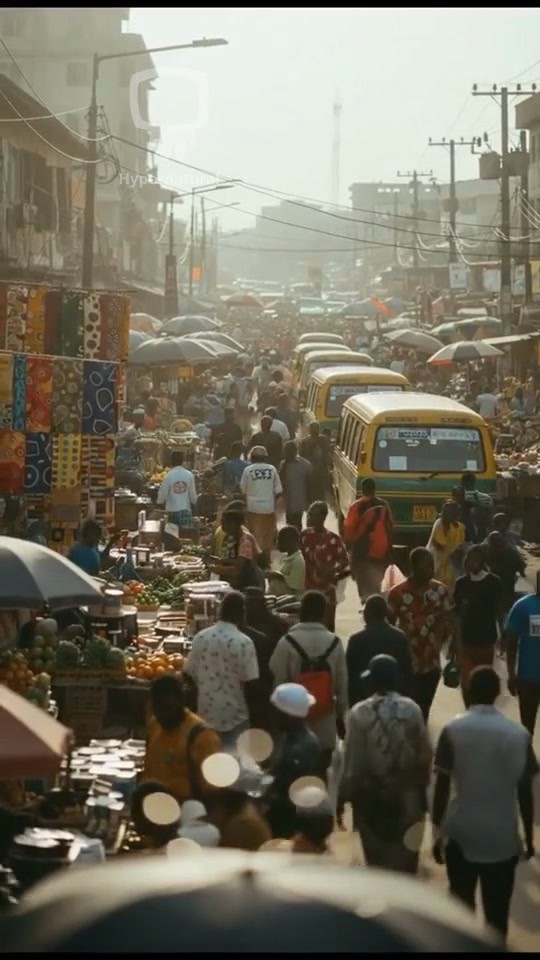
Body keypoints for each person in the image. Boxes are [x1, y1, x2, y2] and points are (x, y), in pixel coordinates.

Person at [432, 666, 537, 942]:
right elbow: (525, 792)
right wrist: (529, 837)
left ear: (468, 691)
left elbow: (442, 787)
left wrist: (436, 832)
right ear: (497, 693)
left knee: (461, 911)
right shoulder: (519, 735)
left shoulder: (452, 730)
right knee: (497, 918)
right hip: (502, 837)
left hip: (461, 833)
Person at [340, 654, 432, 875]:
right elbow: (425, 756)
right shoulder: (412, 709)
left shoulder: (359, 713)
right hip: (407, 799)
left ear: (371, 682)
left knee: (378, 870)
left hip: (372, 801)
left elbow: (354, 761)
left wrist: (343, 797)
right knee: (407, 867)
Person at [269, 590, 348, 772]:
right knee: (320, 780)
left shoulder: (287, 642)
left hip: (294, 729)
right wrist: (341, 718)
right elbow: (342, 687)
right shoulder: (335, 643)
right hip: (325, 728)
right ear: (322, 613)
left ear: (301, 612)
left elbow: (276, 682)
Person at [184, 591, 260, 751]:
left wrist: (202, 689)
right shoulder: (244, 643)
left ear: (220, 612)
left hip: (206, 715)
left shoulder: (201, 637)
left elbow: (188, 673)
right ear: (242, 615)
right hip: (236, 717)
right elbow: (252, 683)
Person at [387, 547, 452, 723]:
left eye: (432, 565)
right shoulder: (397, 593)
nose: (432, 569)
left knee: (423, 709)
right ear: (413, 566)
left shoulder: (441, 591)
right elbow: (389, 626)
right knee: (407, 710)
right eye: (427, 565)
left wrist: (446, 645)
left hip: (431, 662)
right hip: (406, 662)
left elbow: (448, 620)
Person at [143, 675, 222, 804]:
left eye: (167, 708)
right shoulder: (155, 725)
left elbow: (214, 793)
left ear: (180, 702)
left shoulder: (203, 738)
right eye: (157, 710)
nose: (162, 715)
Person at [264, 683, 326, 839]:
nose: (273, 716)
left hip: (291, 825)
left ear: (288, 716)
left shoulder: (303, 748)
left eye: (277, 712)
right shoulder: (288, 738)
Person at [452, 545, 504, 705]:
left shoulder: (493, 582)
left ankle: (482, 711)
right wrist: (454, 641)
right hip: (466, 642)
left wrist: (503, 636)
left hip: (486, 641)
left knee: (483, 684)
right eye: (468, 559)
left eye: (475, 559)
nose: (471, 563)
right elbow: (457, 613)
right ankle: (470, 711)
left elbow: (499, 612)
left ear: (482, 562)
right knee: (466, 682)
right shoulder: (461, 583)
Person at [346, 594, 414, 707]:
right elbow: (408, 672)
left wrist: (352, 703)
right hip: (395, 700)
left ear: (366, 614)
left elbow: (350, 675)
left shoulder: (356, 640)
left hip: (364, 700)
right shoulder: (400, 637)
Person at [300, 501, 349, 631]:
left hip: (327, 590)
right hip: (307, 590)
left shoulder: (333, 539)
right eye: (309, 514)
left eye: (313, 515)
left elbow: (345, 561)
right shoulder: (304, 536)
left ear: (323, 517)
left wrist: (334, 570)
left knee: (327, 627)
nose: (309, 518)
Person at [343, 478, 394, 603]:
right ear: (374, 489)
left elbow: (349, 529)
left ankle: (367, 607)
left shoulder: (357, 506)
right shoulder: (384, 505)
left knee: (364, 586)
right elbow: (391, 525)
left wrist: (349, 547)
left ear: (362, 490)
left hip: (363, 551)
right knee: (378, 582)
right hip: (382, 551)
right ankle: (378, 605)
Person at [506, 569, 540, 737]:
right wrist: (511, 674)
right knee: (526, 729)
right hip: (528, 679)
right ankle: (527, 761)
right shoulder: (523, 606)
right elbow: (511, 644)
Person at [240, 446, 283, 563]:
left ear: (252, 458)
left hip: (253, 509)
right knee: (267, 538)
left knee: (254, 536)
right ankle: (266, 561)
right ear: (265, 458)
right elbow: (279, 491)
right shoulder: (272, 469)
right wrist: (271, 503)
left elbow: (243, 491)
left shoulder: (248, 470)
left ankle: (255, 562)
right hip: (268, 509)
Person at [210, 509, 264, 591]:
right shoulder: (231, 538)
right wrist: (220, 561)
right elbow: (236, 560)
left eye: (224, 523)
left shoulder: (245, 541)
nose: (222, 525)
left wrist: (215, 569)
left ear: (233, 524)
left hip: (249, 585)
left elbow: (237, 570)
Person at [483, 530, 526, 618]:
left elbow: (521, 566)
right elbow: (521, 568)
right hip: (496, 585)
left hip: (506, 583)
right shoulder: (485, 550)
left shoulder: (510, 552)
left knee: (504, 606)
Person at [426, 499, 466, 593]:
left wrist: (458, 551)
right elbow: (439, 544)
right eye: (447, 512)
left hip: (451, 561)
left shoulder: (461, 527)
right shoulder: (439, 524)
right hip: (437, 560)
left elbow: (460, 543)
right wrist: (452, 552)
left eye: (452, 511)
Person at [156, 451, 198, 529]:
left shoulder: (168, 476)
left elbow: (161, 499)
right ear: (182, 461)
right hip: (185, 513)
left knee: (172, 539)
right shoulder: (189, 475)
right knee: (187, 539)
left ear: (171, 462)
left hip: (171, 514)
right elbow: (194, 499)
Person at [279, 440, 313, 530]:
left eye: (290, 451)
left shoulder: (305, 465)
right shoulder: (283, 464)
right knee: (289, 523)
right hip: (288, 501)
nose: (287, 454)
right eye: (286, 452)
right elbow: (280, 481)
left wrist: (310, 500)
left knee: (297, 523)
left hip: (299, 500)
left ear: (295, 451)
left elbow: (311, 484)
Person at [268, 525, 306, 598]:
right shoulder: (285, 557)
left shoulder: (298, 561)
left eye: (281, 540)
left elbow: (295, 584)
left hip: (290, 603)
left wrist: (277, 575)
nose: (278, 544)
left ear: (291, 542)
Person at [458, 472, 494, 544]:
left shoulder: (460, 499)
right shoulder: (486, 498)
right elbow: (491, 516)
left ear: (462, 483)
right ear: (474, 481)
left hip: (464, 534)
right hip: (482, 533)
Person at [298, 423, 331, 501]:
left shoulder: (304, 442)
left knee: (317, 496)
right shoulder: (324, 440)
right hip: (314, 474)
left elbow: (300, 458)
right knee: (316, 496)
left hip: (319, 473)